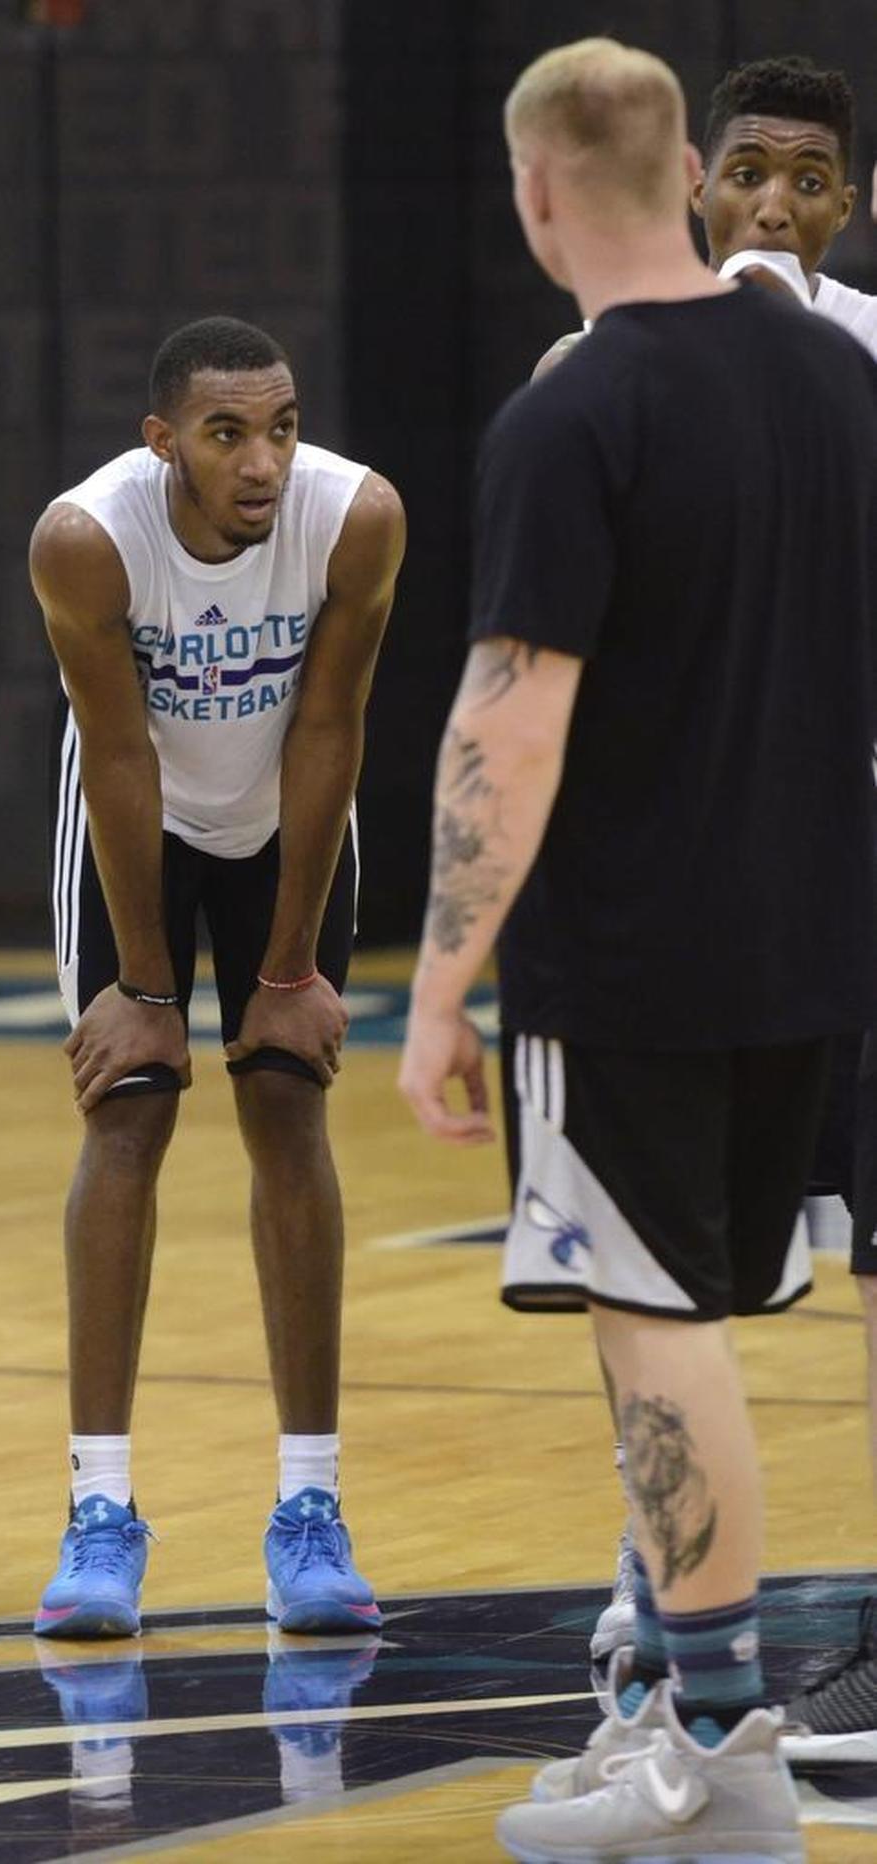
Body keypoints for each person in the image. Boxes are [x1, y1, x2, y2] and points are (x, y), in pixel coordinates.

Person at [399, 37, 877, 1861]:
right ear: (688, 167)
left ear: (540, 195)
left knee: (655, 1339)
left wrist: (441, 986)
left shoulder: (571, 411)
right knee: (707, 1333)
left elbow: (508, 724)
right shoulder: (843, 388)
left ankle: (724, 1748)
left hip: (632, 962)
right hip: (818, 952)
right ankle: (687, 1718)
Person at [544, 53, 877, 1678]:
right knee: (676, 1271)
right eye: (751, 168)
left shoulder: (872, 368)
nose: (776, 203)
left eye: (812, 179)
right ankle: (658, 1587)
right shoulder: (602, 366)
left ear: (851, 208)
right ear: (698, 185)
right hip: (694, 902)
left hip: (854, 876)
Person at [29, 315, 405, 1639]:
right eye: (227, 434)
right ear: (163, 444)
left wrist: (289, 960)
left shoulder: (354, 520)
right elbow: (120, 760)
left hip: (286, 809)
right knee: (127, 1110)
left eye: (283, 427)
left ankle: (310, 1510)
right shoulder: (88, 538)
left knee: (288, 1104)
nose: (263, 461)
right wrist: (143, 985)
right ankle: (98, 1514)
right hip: (142, 817)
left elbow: (331, 724)